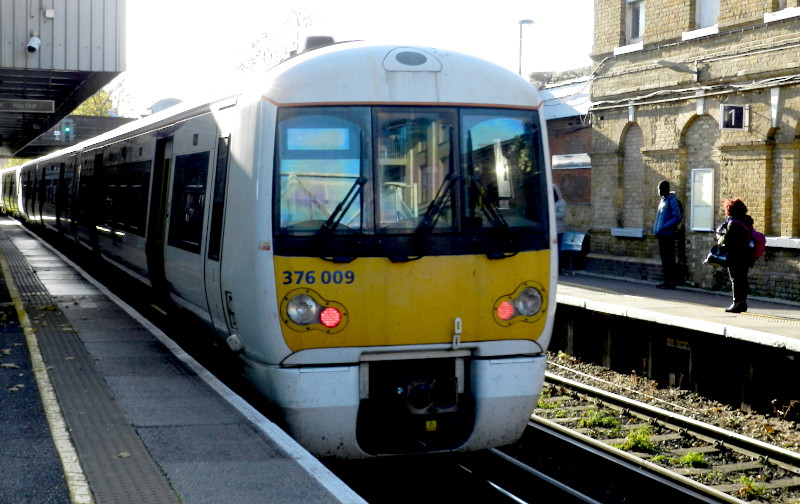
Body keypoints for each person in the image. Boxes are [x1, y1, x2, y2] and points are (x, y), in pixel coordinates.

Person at [716, 198, 753, 313]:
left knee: (735, 279)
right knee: (743, 278)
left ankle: (736, 303)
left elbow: (726, 240)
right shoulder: (747, 221)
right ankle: (743, 303)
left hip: (735, 255)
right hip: (746, 254)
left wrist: (719, 238)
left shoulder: (733, 223)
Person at [653, 180, 683, 289]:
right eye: (658, 188)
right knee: (664, 259)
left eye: (660, 188)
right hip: (661, 235)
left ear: (666, 189)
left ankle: (671, 282)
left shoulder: (672, 201)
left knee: (669, 259)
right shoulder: (663, 201)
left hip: (668, 235)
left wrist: (665, 226)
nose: (658, 191)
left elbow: (677, 217)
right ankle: (666, 281)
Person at [553, 184, 566, 272]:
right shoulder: (550, 202)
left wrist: (551, 213)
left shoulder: (561, 202)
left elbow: (562, 214)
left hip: (558, 229)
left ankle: (559, 267)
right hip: (551, 229)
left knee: (557, 249)